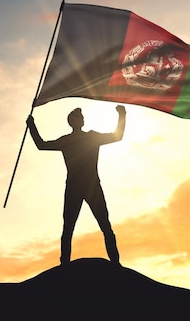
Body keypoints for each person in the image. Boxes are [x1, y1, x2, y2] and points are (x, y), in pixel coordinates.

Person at [26, 105, 126, 266]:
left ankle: (114, 262)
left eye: (80, 118)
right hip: (83, 186)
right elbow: (42, 145)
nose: (81, 120)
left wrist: (32, 126)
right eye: (78, 118)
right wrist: (32, 126)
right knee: (73, 227)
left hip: (85, 185)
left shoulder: (76, 139)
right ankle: (66, 263)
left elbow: (117, 136)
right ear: (75, 122)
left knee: (99, 225)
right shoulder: (80, 138)